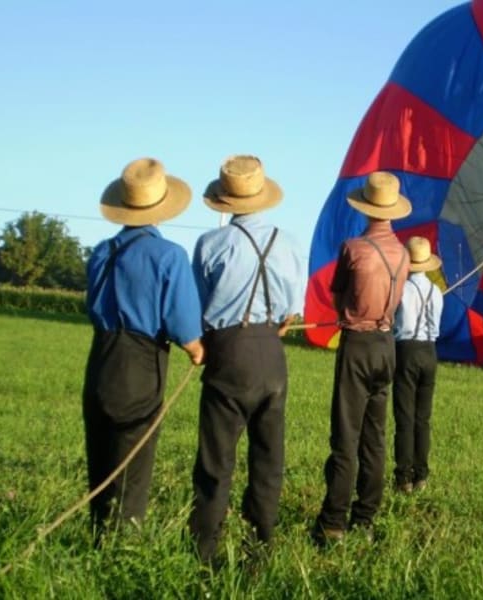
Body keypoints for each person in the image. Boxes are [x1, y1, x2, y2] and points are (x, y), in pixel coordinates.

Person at [187, 156, 305, 567]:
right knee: (269, 456)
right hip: (272, 354)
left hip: (227, 351)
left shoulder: (210, 244)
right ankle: (261, 543)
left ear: (225, 200)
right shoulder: (288, 243)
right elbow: (292, 310)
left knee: (216, 458)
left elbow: (196, 308)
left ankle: (204, 547)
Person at [82, 157, 204, 537]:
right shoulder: (169, 255)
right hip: (140, 360)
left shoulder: (102, 251)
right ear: (160, 208)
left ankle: (99, 532)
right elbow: (183, 322)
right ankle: (125, 542)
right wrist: (196, 349)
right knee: (133, 458)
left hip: (101, 355)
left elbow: (91, 303)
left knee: (100, 452)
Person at [313, 171, 411, 546]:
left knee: (345, 437)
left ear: (366, 207)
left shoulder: (353, 248)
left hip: (356, 343)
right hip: (387, 346)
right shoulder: (403, 255)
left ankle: (333, 521)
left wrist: (349, 313)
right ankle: (365, 518)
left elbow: (338, 297)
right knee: (375, 437)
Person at [391, 236, 444, 495]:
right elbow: (437, 325)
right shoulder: (436, 292)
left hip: (406, 349)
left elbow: (393, 320)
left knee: (404, 418)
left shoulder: (400, 288)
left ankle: (403, 478)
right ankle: (422, 475)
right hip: (429, 351)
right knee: (423, 419)